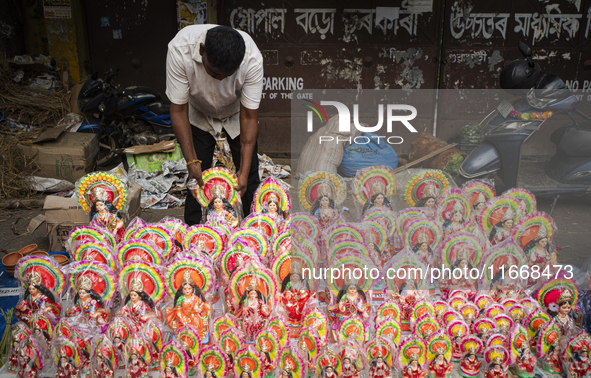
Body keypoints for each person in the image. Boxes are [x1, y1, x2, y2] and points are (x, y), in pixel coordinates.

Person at [166, 24, 263, 226]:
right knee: (196, 177)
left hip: (237, 111)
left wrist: (243, 173)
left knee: (249, 175)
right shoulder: (179, 49)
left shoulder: (252, 58)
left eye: (227, 76)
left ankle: (255, 228)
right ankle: (193, 230)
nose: (220, 80)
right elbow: (178, 110)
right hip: (198, 110)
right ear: (202, 50)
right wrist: (192, 162)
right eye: (214, 73)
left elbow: (249, 117)